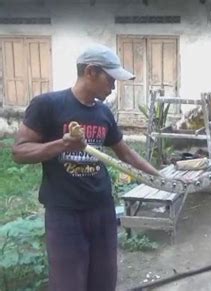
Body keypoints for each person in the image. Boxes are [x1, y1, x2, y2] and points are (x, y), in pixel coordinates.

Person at [12, 44, 160, 291]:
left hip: (102, 210)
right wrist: (63, 144)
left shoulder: (103, 112)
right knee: (68, 284)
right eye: (110, 79)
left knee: (103, 283)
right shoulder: (48, 104)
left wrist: (162, 179)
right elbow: (19, 152)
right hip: (64, 214)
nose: (113, 87)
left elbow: (126, 152)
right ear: (90, 71)